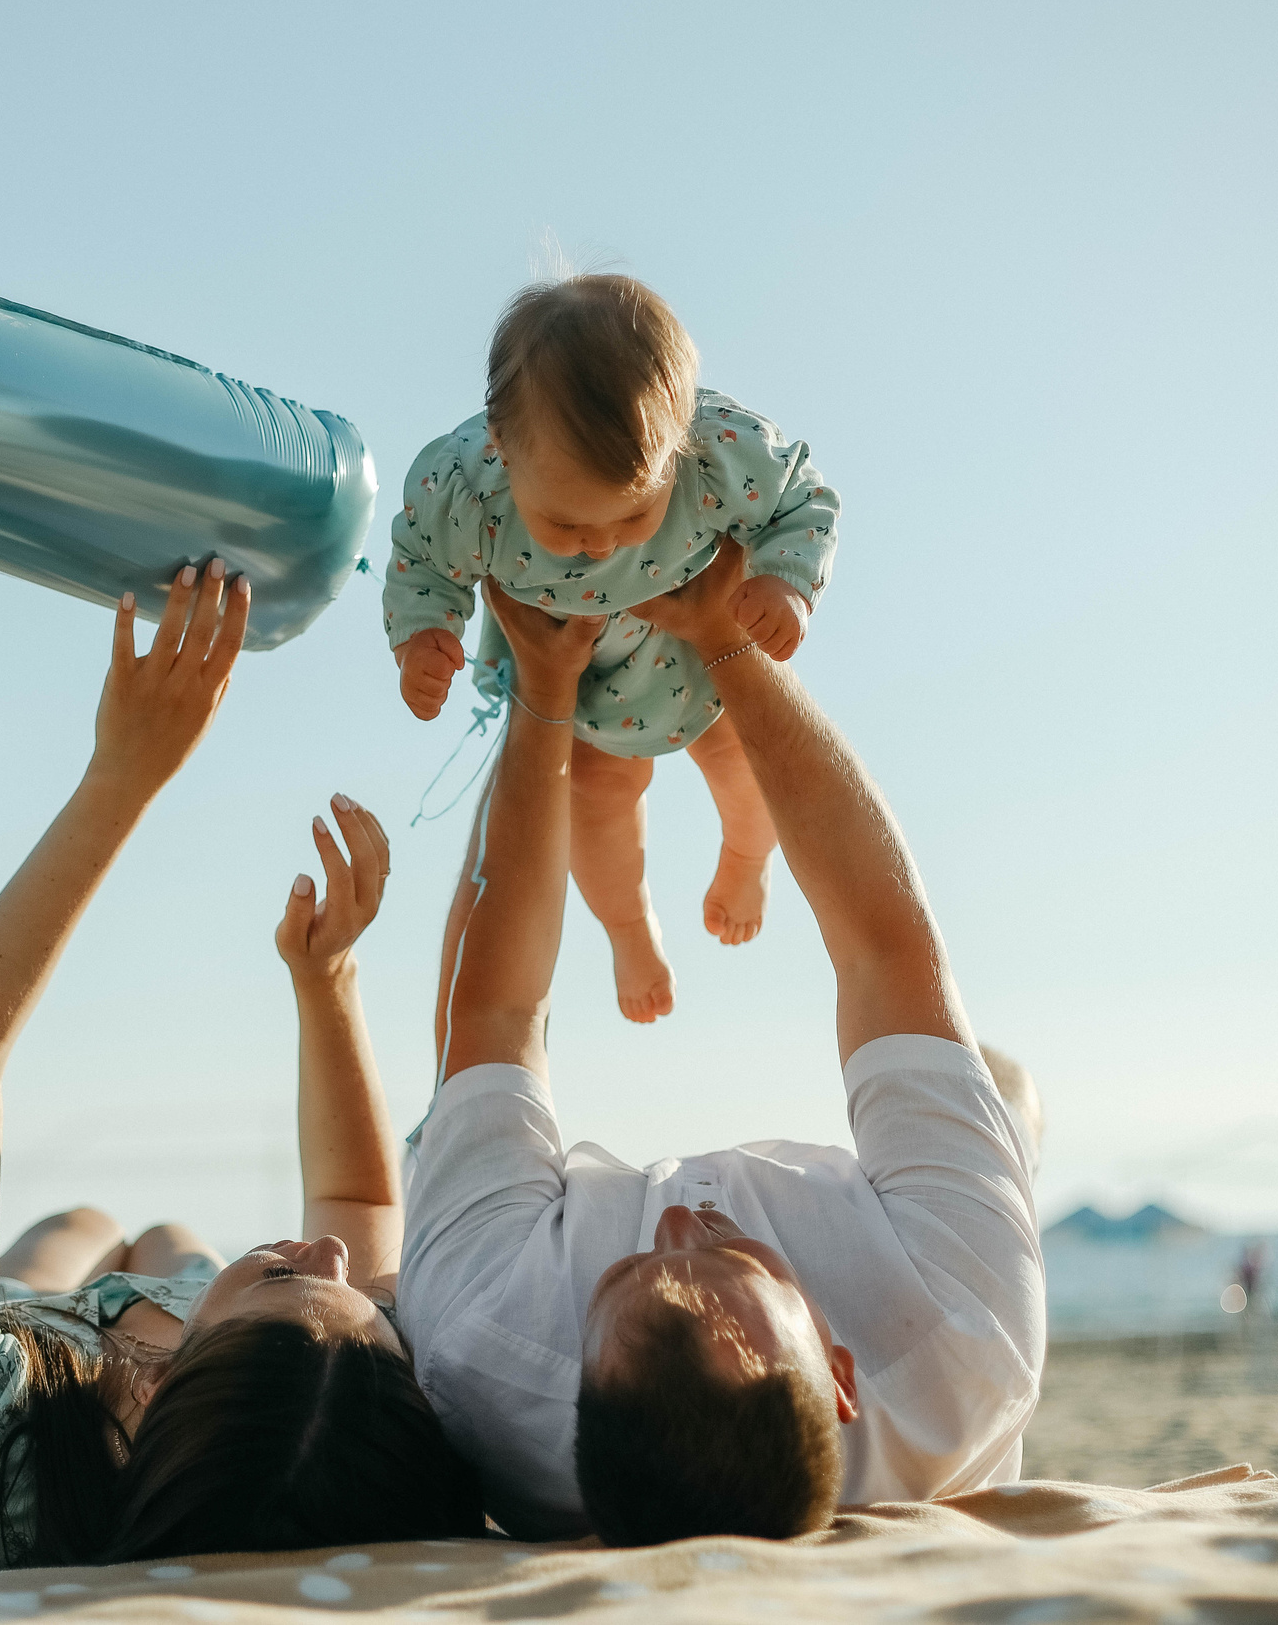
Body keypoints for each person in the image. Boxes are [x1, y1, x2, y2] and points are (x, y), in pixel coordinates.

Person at [0, 562, 479, 1575]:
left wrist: (124, 775)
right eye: (350, 1290)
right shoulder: (330, 1399)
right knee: (176, 1246)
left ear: (150, 1384)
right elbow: (357, 1199)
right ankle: (154, 1268)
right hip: (128, 1345)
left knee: (81, 1230)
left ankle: (107, 1260)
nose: (326, 1253)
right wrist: (328, 979)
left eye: (283, 1274)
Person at [395, 548, 1045, 1545]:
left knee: (458, 1078)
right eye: (734, 1259)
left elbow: (492, 1015)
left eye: (631, 1272)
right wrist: (726, 641)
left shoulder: (488, 1349)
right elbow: (883, 947)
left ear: (573, 1392)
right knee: (1003, 1089)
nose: (686, 1223)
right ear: (838, 1375)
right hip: (911, 1262)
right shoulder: (964, 1337)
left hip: (513, 1280)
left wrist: (542, 695)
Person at [381, 274, 842, 1024]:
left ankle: (748, 859)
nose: (597, 544)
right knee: (593, 806)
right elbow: (422, 559)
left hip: (701, 655)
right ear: (502, 449)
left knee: (749, 766)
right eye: (563, 524)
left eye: (633, 514)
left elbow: (801, 499)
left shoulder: (717, 449)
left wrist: (787, 581)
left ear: (679, 443)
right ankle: (630, 930)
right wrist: (424, 635)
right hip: (590, 679)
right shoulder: (466, 487)